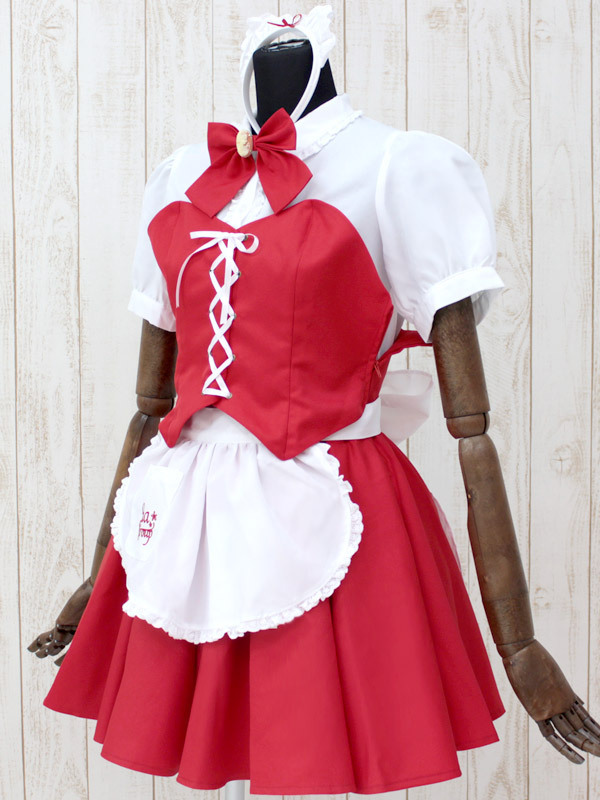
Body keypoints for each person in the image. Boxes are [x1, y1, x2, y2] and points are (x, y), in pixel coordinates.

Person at [29, 4, 600, 794]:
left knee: (311, 741)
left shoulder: (400, 168)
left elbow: (472, 428)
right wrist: (100, 577)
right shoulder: (179, 175)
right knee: (210, 741)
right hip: (189, 515)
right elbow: (150, 406)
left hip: (335, 507)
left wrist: (520, 645)